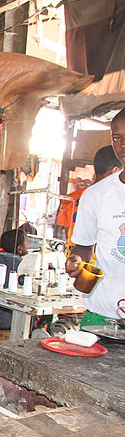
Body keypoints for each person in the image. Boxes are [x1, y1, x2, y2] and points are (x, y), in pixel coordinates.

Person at [66, 109, 125, 326]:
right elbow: (83, 247)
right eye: (117, 138)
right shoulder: (96, 194)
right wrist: (76, 262)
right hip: (101, 315)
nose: (123, 145)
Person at [56, 145, 121, 247]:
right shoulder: (114, 200)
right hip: (99, 259)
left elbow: (66, 233)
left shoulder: (71, 198)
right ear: (115, 170)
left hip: (75, 258)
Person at [0, 229, 28, 329]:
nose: (30, 246)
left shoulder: (0, 257)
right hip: (8, 319)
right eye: (28, 242)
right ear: (20, 249)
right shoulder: (18, 262)